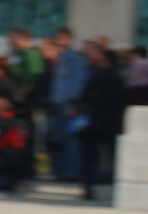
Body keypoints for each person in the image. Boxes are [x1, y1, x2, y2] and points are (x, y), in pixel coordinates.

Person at [76, 40, 126, 200]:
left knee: (90, 157)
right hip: (113, 122)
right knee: (112, 156)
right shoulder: (120, 79)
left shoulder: (96, 76)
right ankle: (111, 187)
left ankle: (88, 188)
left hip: (94, 120)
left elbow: (85, 97)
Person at [48, 26, 89, 181]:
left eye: (62, 38)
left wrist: (74, 105)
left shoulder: (76, 59)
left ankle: (71, 171)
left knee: (71, 142)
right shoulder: (56, 57)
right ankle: (58, 170)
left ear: (69, 39)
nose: (59, 41)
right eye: (57, 38)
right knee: (56, 139)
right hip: (55, 104)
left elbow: (78, 83)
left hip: (68, 105)